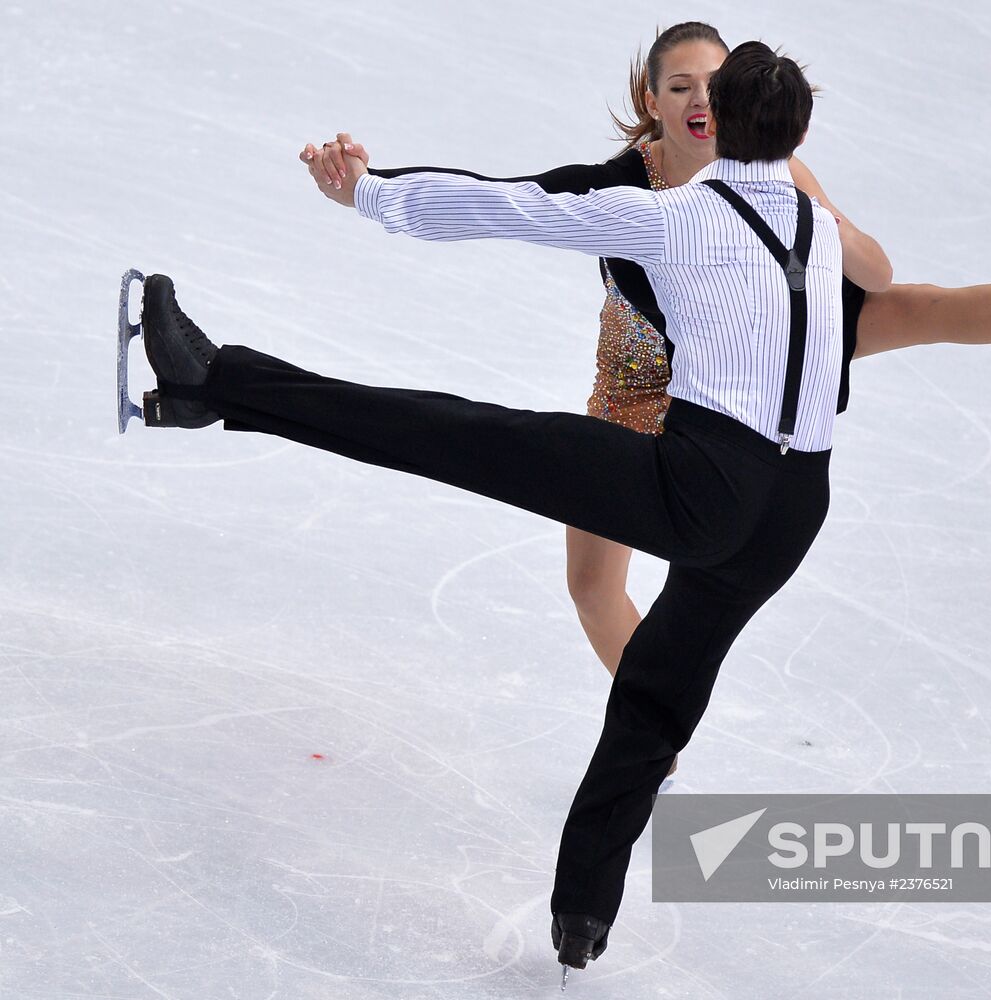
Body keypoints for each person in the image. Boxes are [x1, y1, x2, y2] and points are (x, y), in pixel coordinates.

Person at [134, 40, 871, 973]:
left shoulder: (679, 219)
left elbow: (513, 207)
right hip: (796, 510)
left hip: (705, 483)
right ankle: (581, 923)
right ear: (798, 130)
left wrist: (371, 191)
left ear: (718, 116)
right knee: (655, 699)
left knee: (462, 434)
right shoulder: (821, 226)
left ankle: (215, 384)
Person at [301, 22, 991, 756]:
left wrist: (807, 198)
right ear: (652, 101)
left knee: (916, 308)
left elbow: (877, 267)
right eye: (679, 85)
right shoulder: (621, 189)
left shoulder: (773, 166)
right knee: (593, 587)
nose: (700, 98)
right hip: (643, 387)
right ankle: (656, 738)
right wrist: (367, 188)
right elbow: (504, 200)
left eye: (714, 81)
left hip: (759, 364)